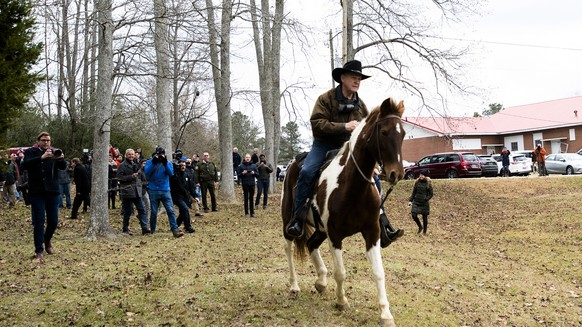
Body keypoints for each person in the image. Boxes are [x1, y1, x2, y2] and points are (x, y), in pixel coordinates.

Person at [286, 59, 401, 239]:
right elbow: (317, 124)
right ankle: (298, 219)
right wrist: (344, 127)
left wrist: (374, 162)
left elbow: (368, 136)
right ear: (342, 77)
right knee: (308, 171)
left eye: (359, 79)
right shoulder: (325, 99)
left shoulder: (361, 106)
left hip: (348, 150)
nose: (357, 81)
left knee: (373, 178)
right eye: (354, 77)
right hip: (323, 145)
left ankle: (382, 222)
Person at [21, 132, 67, 262]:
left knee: (53, 221)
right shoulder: (31, 151)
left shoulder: (54, 152)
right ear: (38, 141)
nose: (46, 142)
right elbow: (24, 165)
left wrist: (60, 158)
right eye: (43, 140)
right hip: (37, 191)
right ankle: (39, 250)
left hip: (52, 190)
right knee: (39, 221)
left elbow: (63, 167)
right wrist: (41, 157)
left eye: (48, 140)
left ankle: (47, 240)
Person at [144, 147, 183, 238]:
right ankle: (152, 229)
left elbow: (171, 174)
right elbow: (147, 172)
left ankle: (175, 230)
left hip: (165, 189)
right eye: (158, 154)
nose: (160, 156)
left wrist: (165, 163)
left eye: (161, 154)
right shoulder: (150, 162)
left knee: (170, 210)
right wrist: (154, 162)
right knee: (154, 211)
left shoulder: (168, 163)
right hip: (153, 189)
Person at [116, 149, 151, 235]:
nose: (131, 156)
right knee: (127, 212)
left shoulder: (135, 165)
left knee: (142, 209)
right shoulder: (122, 165)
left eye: (132, 154)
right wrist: (131, 177)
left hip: (137, 191)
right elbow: (119, 177)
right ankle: (125, 229)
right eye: (129, 154)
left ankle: (145, 228)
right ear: (125, 155)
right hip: (127, 191)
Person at [170, 161, 196, 233]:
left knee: (183, 212)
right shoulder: (174, 176)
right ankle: (188, 227)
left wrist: (193, 196)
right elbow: (177, 186)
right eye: (181, 165)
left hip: (185, 196)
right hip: (177, 196)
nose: (183, 167)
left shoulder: (186, 175)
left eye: (184, 165)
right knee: (184, 209)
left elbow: (191, 186)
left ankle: (175, 225)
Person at [408, 169, 433, 235]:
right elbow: (413, 192)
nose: (421, 176)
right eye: (420, 175)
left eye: (422, 175)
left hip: (424, 203)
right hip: (416, 201)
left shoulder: (428, 183)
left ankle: (424, 231)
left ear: (425, 176)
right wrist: (410, 200)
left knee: (424, 217)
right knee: (414, 215)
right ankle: (420, 226)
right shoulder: (417, 182)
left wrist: (426, 199)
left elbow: (431, 194)